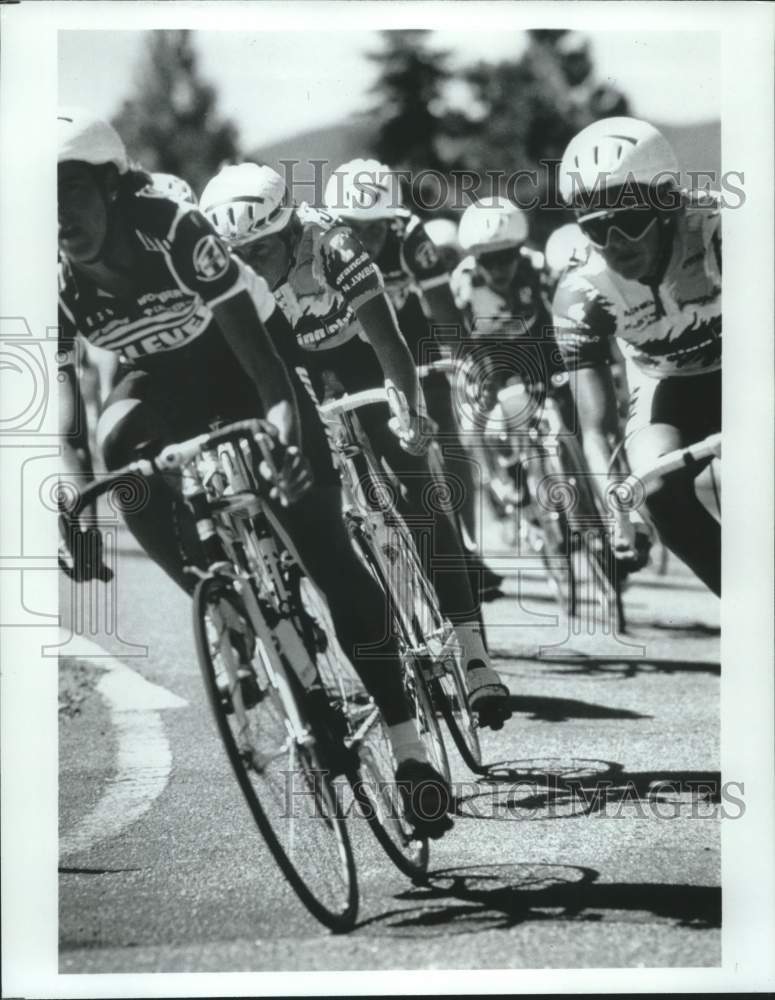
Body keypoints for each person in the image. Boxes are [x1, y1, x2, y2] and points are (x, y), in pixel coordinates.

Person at [57, 107, 454, 837]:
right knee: (117, 445)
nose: (57, 216)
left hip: (247, 365)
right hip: (161, 385)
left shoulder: (170, 228)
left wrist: (285, 435)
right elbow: (68, 419)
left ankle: (408, 749)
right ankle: (227, 607)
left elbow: (268, 367)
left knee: (327, 551)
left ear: (110, 188)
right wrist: (74, 503)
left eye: (70, 191)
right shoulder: (42, 270)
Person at [200, 162, 512, 729]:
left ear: (291, 231)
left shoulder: (334, 244)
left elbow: (388, 339)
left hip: (359, 349)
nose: (253, 267)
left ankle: (474, 654)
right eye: (239, 256)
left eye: (264, 251)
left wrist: (411, 413)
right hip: (289, 368)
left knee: (417, 480)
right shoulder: (224, 270)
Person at [553, 116, 721, 594]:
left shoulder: (721, 234)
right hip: (668, 386)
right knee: (656, 487)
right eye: (595, 228)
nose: (615, 244)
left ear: (668, 204)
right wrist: (618, 508)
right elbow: (596, 428)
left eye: (628, 221)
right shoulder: (582, 291)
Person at [323, 159, 502, 601]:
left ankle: (460, 546)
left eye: (376, 228)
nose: (364, 240)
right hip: (351, 349)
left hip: (408, 341)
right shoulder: (323, 243)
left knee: (447, 433)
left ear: (394, 219)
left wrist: (464, 362)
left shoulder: (410, 235)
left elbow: (443, 310)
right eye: (354, 228)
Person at [451, 197, 575, 521]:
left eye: (507, 257)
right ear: (474, 258)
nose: (499, 268)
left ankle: (577, 469)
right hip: (488, 355)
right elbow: (462, 343)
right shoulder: (463, 284)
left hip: (537, 344)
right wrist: (486, 387)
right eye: (488, 260)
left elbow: (559, 319)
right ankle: (503, 476)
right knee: (481, 416)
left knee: (570, 397)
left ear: (520, 250)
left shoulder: (536, 268)